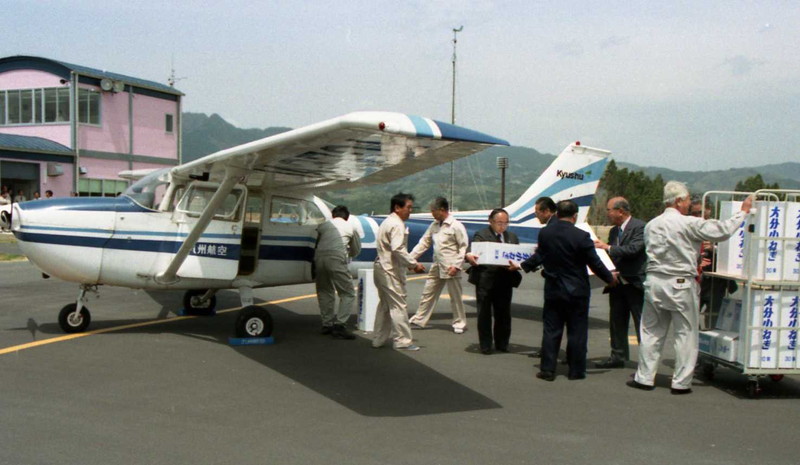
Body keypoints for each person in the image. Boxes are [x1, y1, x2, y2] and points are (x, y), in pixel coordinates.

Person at [628, 181, 752, 394]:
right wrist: (742, 213)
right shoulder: (688, 223)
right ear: (678, 201)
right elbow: (722, 230)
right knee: (685, 333)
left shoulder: (652, 224)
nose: (687, 204)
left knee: (651, 332)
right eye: (685, 201)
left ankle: (645, 377)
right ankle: (681, 382)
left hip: (654, 281)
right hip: (680, 282)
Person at [514, 200, 616, 381]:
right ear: (575, 216)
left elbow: (540, 256)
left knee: (551, 330)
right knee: (577, 331)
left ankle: (547, 369)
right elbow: (595, 263)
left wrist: (522, 266)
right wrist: (610, 278)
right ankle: (576, 370)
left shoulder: (546, 233)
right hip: (577, 290)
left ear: (557, 213)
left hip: (554, 288)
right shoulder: (582, 236)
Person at [592, 197, 646, 368]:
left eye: (609, 210)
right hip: (617, 283)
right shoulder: (614, 231)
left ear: (620, 211)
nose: (607, 214)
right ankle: (618, 356)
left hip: (634, 283)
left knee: (641, 323)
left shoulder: (640, 227)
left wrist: (607, 248)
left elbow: (634, 249)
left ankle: (646, 361)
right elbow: (613, 255)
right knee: (616, 321)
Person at [372, 193, 425, 351]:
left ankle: (378, 339)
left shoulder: (387, 222)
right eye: (408, 208)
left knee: (385, 305)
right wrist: (413, 264)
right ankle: (403, 340)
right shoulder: (397, 224)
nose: (410, 211)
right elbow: (398, 248)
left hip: (381, 266)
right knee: (398, 305)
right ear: (397, 207)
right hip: (389, 269)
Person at [408, 197, 469, 333]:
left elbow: (463, 247)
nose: (432, 214)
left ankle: (459, 323)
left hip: (451, 264)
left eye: (433, 210)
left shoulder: (456, 226)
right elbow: (424, 243)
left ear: (442, 210)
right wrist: (410, 258)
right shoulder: (434, 225)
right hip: (437, 264)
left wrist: (457, 265)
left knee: (455, 296)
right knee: (428, 292)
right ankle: (419, 319)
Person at [465, 208, 521, 354]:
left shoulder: (512, 237)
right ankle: (486, 344)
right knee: (484, 313)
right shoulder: (482, 234)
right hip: (486, 279)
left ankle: (502, 343)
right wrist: (469, 255)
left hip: (505, 279)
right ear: (491, 221)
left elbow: (517, 256)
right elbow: (472, 249)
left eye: (505, 223)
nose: (502, 226)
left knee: (503, 313)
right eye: (499, 222)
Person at [315, 205, 361, 340]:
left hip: (319, 258)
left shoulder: (323, 226)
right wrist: (347, 254)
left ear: (333, 215)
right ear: (346, 217)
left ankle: (326, 324)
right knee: (347, 293)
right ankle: (340, 325)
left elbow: (317, 243)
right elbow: (355, 250)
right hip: (336, 258)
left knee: (324, 290)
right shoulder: (350, 227)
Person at [519, 196, 558, 357]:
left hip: (555, 283)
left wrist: (522, 265)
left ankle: (548, 354)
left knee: (551, 322)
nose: (536, 216)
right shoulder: (567, 228)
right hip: (572, 284)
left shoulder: (548, 230)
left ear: (547, 211)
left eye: (537, 212)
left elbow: (541, 255)